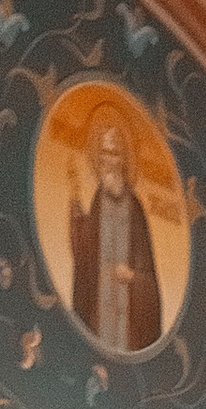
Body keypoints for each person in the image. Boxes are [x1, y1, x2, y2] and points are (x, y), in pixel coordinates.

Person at [67, 114, 162, 352]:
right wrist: (77, 214)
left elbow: (149, 278)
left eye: (114, 153)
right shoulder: (98, 200)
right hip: (99, 308)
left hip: (127, 316)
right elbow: (86, 255)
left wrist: (132, 277)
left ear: (123, 159)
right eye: (103, 152)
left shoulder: (135, 208)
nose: (107, 160)